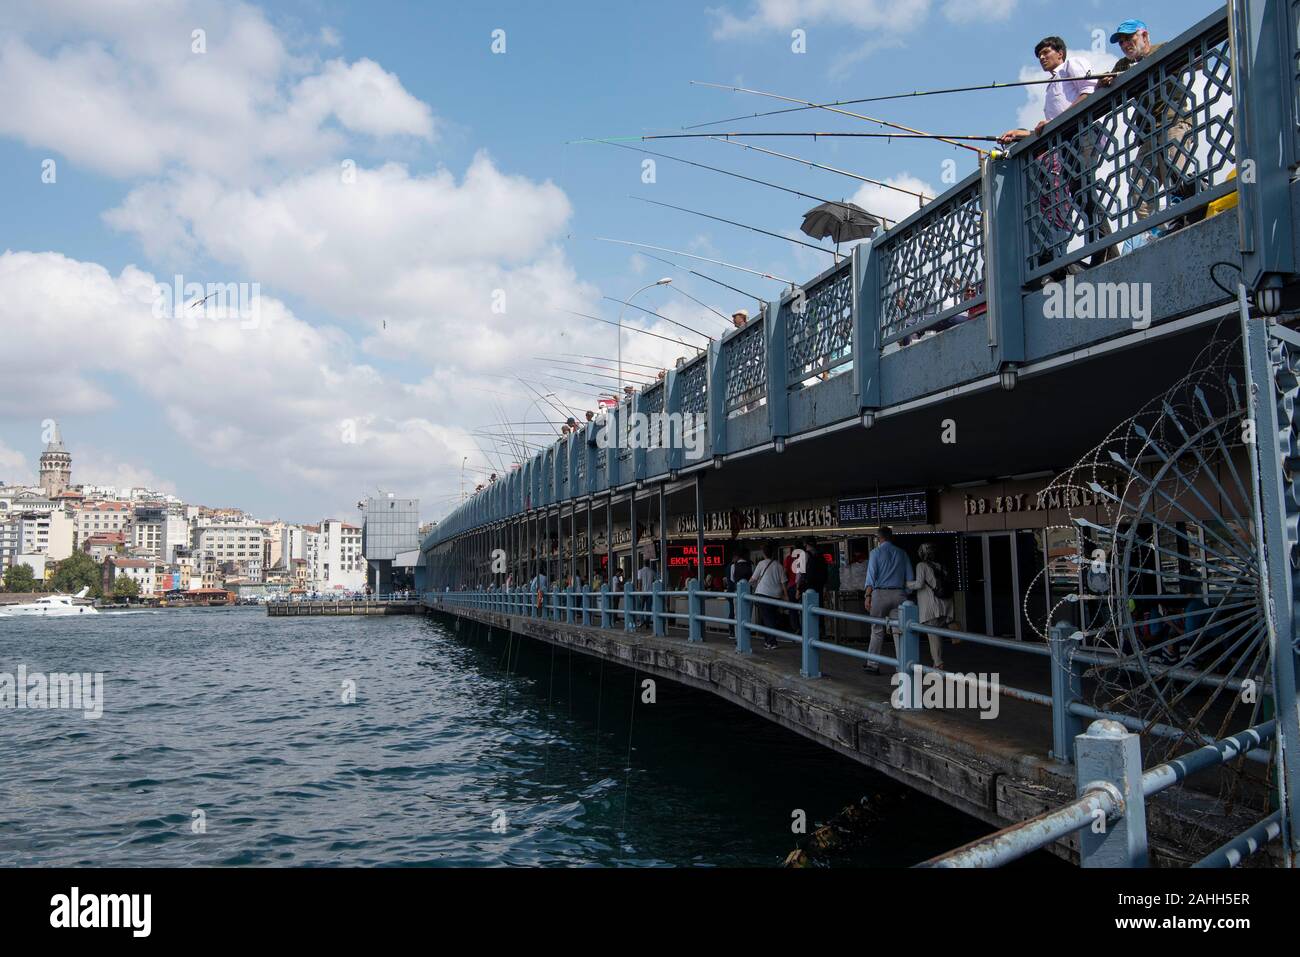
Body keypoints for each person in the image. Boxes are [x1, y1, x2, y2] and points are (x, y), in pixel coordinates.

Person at [1000, 37, 1115, 273]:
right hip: (1066, 142)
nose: (1042, 58)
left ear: (1060, 53)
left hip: (1082, 134)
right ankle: (1101, 249)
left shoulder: (1072, 66)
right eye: (1039, 55)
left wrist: (1054, 123)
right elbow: (1050, 125)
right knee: (1080, 194)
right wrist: (1021, 134)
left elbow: (1088, 93)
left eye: (1046, 52)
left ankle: (1104, 249)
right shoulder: (1051, 86)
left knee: (1084, 191)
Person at [1099, 20, 1197, 227]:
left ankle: (1193, 212)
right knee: (1139, 190)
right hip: (1146, 134)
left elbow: (1198, 59)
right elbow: (1105, 89)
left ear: (1144, 36)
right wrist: (1104, 82)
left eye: (1130, 38)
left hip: (1173, 121)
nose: (1126, 45)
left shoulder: (1163, 48)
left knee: (1177, 167)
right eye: (1122, 42)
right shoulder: (1123, 66)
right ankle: (1157, 232)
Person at [863, 526, 914, 674]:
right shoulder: (902, 553)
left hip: (880, 594)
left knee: (877, 630)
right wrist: (905, 593)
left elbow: (871, 577)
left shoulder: (875, 553)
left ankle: (872, 664)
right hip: (899, 595)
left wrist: (868, 596)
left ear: (879, 539)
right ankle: (902, 666)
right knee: (899, 632)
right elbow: (910, 578)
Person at [906, 543, 954, 670]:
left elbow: (919, 584)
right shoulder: (941, 566)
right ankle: (937, 662)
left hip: (931, 606)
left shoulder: (921, 566)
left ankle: (938, 664)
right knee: (937, 635)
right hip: (945, 604)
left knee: (933, 636)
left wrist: (906, 584)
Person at [749, 541, 786, 650]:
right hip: (776, 596)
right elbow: (784, 582)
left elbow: (753, 579)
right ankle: (768, 641)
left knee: (767, 618)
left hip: (763, 594)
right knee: (772, 618)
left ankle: (771, 641)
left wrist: (746, 583)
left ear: (764, 554)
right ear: (773, 553)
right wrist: (786, 595)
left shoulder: (761, 564)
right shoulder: (779, 565)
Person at [635, 560, 655, 630]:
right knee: (648, 608)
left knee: (640, 607)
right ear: (649, 564)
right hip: (650, 592)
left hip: (642, 592)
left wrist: (639, 591)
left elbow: (639, 582)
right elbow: (653, 582)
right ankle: (647, 623)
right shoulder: (652, 571)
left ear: (643, 564)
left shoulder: (640, 571)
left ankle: (642, 620)